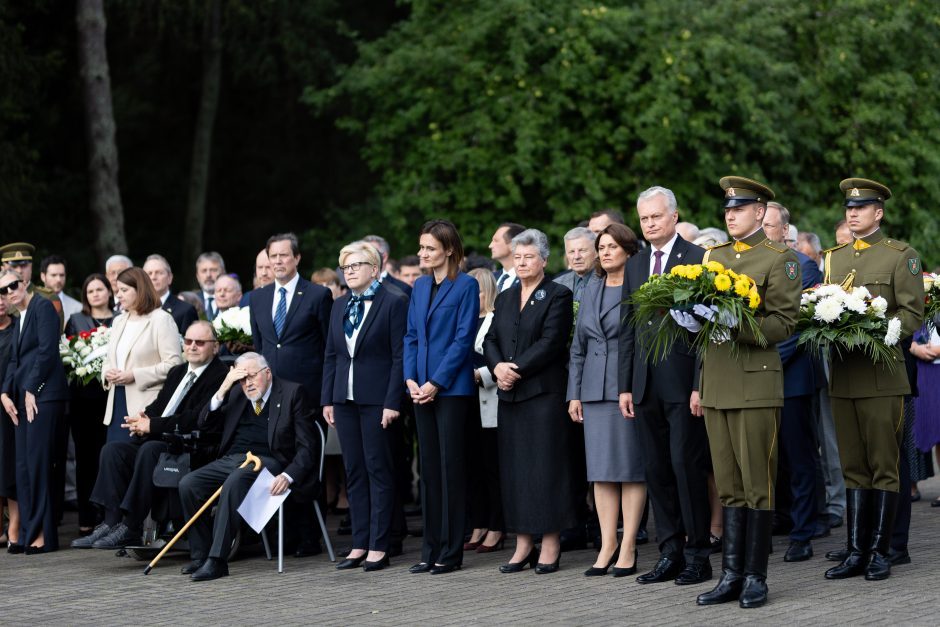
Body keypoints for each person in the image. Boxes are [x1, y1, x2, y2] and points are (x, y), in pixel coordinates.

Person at [681, 176, 800, 608]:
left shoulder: (779, 259)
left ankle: (755, 575)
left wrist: (738, 323)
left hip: (754, 382)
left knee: (757, 485)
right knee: (729, 485)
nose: (730, 215)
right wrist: (693, 321)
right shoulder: (713, 257)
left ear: (761, 212)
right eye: (728, 209)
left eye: (740, 208)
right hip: (718, 382)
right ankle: (731, 573)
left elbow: (784, 325)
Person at [823, 178, 923, 582]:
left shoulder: (900, 255)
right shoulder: (834, 258)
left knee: (885, 465)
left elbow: (912, 313)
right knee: (853, 466)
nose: (852, 212)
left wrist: (878, 330)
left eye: (861, 207)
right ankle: (856, 549)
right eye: (849, 207)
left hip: (883, 377)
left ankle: (884, 550)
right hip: (845, 377)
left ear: (878, 212)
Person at [619, 186, 712, 586]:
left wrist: (699, 384)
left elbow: (709, 328)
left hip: (682, 383)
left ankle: (698, 556)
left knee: (686, 467)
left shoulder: (698, 258)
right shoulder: (636, 264)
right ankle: (670, 552)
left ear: (674, 217)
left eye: (656, 216)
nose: (650, 223)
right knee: (655, 470)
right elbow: (628, 329)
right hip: (644, 386)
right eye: (644, 218)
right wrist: (625, 386)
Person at [75, 320, 227, 549]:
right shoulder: (178, 372)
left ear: (215, 347)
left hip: (192, 447)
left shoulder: (219, 375)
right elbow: (160, 406)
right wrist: (142, 418)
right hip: (162, 440)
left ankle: (131, 526)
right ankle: (111, 521)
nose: (192, 346)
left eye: (200, 342)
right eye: (188, 341)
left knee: (150, 450)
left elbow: (195, 418)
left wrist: (153, 425)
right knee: (113, 450)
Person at [483, 228, 576, 575]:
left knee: (546, 470)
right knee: (516, 471)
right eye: (518, 257)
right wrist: (497, 366)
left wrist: (515, 368)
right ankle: (523, 543)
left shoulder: (557, 295)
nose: (522, 263)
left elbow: (552, 342)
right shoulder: (505, 296)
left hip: (543, 396)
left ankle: (550, 543)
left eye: (529, 257)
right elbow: (491, 338)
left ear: (544, 261)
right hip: (510, 397)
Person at [178, 352, 317, 581]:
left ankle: (218, 560)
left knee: (236, 479)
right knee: (188, 483)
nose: (248, 383)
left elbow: (308, 447)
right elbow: (205, 424)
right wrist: (224, 387)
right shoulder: (235, 394)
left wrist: (289, 475)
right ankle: (200, 555)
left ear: (268, 373)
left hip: (271, 460)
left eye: (252, 376)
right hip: (235, 458)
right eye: (242, 379)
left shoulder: (293, 393)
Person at [321, 242, 407, 572]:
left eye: (357, 265)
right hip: (345, 400)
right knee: (354, 471)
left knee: (379, 470)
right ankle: (358, 543)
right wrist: (328, 398)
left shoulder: (393, 302)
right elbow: (331, 354)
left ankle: (379, 545)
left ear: (375, 268)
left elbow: (399, 357)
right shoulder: (339, 304)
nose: (351, 271)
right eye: (346, 267)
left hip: (377, 401)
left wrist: (392, 402)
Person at [568, 223, 644, 577]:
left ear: (629, 250)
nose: (606, 252)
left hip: (625, 388)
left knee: (629, 470)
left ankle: (628, 544)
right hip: (593, 391)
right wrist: (574, 394)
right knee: (600, 473)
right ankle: (607, 543)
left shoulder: (639, 286)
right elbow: (577, 348)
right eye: (602, 247)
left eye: (613, 246)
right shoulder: (593, 287)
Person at [249, 232, 332, 556]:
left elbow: (329, 349)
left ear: (297, 258)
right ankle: (278, 532)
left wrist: (327, 396)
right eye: (274, 257)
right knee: (276, 458)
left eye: (284, 255)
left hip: (308, 395)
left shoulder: (317, 295)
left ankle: (309, 536)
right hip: (271, 396)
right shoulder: (257, 298)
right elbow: (260, 348)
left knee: (307, 460)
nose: (278, 261)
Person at [404, 219, 479, 575]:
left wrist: (436, 381)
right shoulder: (419, 286)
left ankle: (450, 551)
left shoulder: (465, 286)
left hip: (451, 390)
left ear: (449, 249)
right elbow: (411, 337)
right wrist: (411, 379)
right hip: (420, 389)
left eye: (430, 248)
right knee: (429, 473)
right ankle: (429, 549)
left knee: (450, 470)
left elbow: (463, 340)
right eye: (421, 248)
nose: (423, 254)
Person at [763, 202, 823, 563]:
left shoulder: (804, 266)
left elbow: (796, 327)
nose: (765, 230)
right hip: (757, 377)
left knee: (799, 457)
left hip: (792, 377)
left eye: (770, 225)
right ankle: (781, 519)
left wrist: (762, 362)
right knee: (770, 458)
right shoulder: (746, 263)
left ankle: (804, 532)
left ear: (785, 231)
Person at [0, 270, 69, 553]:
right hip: (22, 398)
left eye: (12, 286)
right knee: (24, 465)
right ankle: (29, 531)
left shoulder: (43, 307)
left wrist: (31, 388)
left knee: (39, 463)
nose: (8, 293)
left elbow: (47, 352)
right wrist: (4, 392)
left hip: (44, 396)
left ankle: (42, 535)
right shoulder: (21, 317)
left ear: (25, 283)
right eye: (2, 291)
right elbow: (15, 359)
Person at [102, 267, 183, 444]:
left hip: (146, 404)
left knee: (135, 462)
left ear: (140, 290)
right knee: (113, 459)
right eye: (118, 290)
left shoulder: (161, 319)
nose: (119, 295)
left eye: (124, 290)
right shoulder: (119, 320)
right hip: (116, 402)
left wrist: (135, 375)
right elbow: (109, 359)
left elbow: (175, 364)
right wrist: (107, 373)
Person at [62, 273, 115, 536]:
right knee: (85, 459)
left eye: (100, 289)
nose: (95, 294)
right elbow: (69, 358)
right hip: (84, 401)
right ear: (85, 295)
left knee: (109, 456)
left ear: (109, 291)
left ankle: (109, 515)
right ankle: (85, 516)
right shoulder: (76, 320)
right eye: (90, 290)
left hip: (112, 399)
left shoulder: (120, 319)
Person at [465, 268, 504, 553]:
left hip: (489, 401)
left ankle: (497, 526)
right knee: (473, 470)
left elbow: (503, 357)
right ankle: (478, 523)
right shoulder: (462, 322)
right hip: (465, 404)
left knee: (493, 470)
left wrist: (481, 375)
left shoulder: (496, 320)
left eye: (475, 291)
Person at [0, 291, 18, 548]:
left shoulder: (19, 327)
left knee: (12, 465)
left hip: (12, 404)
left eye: (3, 295)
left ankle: (15, 527)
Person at [143, 254, 199, 334]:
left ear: (170, 278)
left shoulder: (185, 310)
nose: (153, 277)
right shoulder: (135, 309)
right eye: (149, 273)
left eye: (159, 273)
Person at [553, 227, 597, 303]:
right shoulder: (556, 284)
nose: (576, 257)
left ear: (596, 252)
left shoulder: (608, 281)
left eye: (582, 250)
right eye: (571, 252)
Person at [40, 255, 81, 321]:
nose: (58, 279)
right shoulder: (29, 303)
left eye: (62, 275)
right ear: (43, 276)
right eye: (54, 275)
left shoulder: (77, 308)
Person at [489, 223, 526, 292]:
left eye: (496, 240)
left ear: (513, 244)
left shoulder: (528, 279)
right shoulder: (491, 278)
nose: (490, 246)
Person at [194, 252, 225, 321]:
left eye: (213, 270)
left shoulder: (232, 300)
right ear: (197, 276)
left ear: (223, 273)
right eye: (204, 271)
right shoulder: (191, 301)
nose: (208, 275)